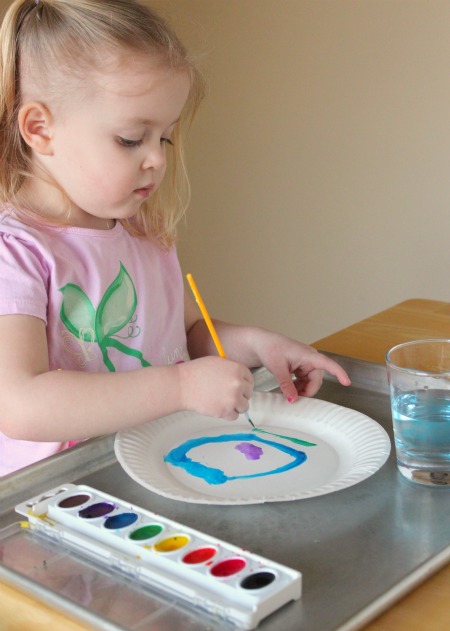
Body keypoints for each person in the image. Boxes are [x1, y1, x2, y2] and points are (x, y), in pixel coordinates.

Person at [0, 0, 350, 477]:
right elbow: (20, 405)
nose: (157, 160)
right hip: (64, 499)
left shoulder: (143, 234)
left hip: (156, 466)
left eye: (163, 137)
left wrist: (257, 345)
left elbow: (187, 334)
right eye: (130, 139)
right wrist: (180, 388)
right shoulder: (15, 253)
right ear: (40, 129)